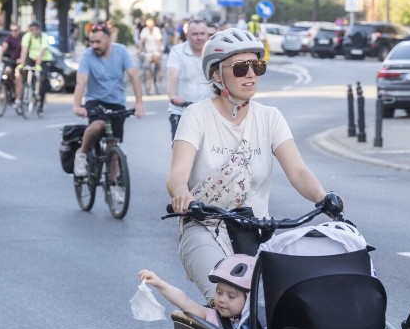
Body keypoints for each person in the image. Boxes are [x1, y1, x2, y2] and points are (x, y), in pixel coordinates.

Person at [166, 28, 329, 301]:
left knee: (283, 304)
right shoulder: (197, 115)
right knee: (228, 298)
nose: (251, 74)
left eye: (258, 66)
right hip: (205, 228)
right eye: (241, 67)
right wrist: (181, 193)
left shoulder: (270, 118)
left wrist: (324, 198)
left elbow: (298, 171)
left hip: (256, 232)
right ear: (217, 75)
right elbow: (177, 175)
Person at [71, 22, 144, 178]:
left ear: (108, 40)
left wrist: (139, 103)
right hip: (95, 101)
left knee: (113, 144)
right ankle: (82, 154)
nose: (94, 45)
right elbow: (81, 82)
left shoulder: (121, 51)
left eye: (98, 42)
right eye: (91, 42)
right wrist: (77, 105)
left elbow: (134, 77)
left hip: (117, 102)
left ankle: (114, 184)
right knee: (97, 125)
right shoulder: (87, 55)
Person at [165, 19, 211, 140]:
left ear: (207, 35)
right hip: (181, 111)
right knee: (181, 154)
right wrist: (173, 96)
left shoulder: (213, 51)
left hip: (208, 111)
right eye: (194, 34)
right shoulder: (177, 51)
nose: (199, 37)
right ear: (187, 35)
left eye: (202, 33)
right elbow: (172, 76)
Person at [17, 20, 53, 115]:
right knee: (24, 70)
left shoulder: (44, 37)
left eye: (35, 29)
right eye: (31, 30)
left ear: (39, 29)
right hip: (32, 58)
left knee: (43, 78)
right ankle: (27, 86)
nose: (33, 31)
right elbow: (24, 51)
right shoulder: (27, 37)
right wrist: (22, 63)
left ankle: (40, 105)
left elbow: (42, 52)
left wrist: (38, 65)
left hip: (44, 59)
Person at [0, 23, 23, 109]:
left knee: (18, 77)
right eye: (11, 30)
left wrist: (22, 59)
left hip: (21, 61)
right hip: (12, 60)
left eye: (15, 30)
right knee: (6, 72)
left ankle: (18, 99)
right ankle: (9, 89)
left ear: (19, 30)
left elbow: (25, 49)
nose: (13, 32)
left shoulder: (23, 38)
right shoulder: (9, 38)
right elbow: (4, 46)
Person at [137, 17, 163, 85]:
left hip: (155, 50)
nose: (149, 27)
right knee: (146, 65)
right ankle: (148, 79)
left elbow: (158, 40)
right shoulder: (145, 30)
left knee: (156, 58)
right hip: (148, 51)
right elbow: (141, 41)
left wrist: (159, 50)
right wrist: (139, 50)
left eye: (151, 25)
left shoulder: (156, 30)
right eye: (148, 25)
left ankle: (159, 70)